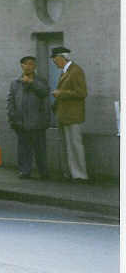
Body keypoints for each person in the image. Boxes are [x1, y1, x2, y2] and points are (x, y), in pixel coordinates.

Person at [6, 56, 50, 179]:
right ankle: (24, 171)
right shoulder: (15, 82)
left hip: (38, 122)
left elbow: (44, 92)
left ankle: (44, 172)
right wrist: (12, 117)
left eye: (32, 64)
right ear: (22, 65)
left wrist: (31, 83)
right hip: (21, 122)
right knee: (23, 149)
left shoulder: (41, 80)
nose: (29, 66)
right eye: (27, 64)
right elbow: (11, 101)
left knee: (40, 149)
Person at [51, 46, 89, 182]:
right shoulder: (67, 71)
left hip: (72, 115)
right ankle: (71, 173)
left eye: (54, 58)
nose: (53, 62)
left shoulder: (76, 71)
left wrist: (60, 93)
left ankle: (79, 175)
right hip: (65, 115)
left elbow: (82, 93)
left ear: (61, 57)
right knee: (68, 145)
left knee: (74, 145)